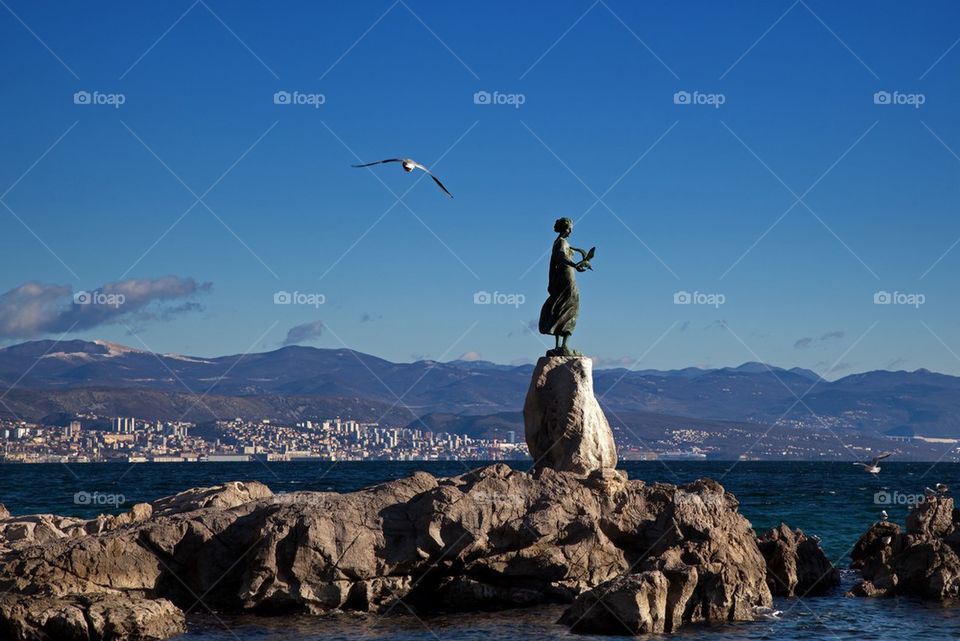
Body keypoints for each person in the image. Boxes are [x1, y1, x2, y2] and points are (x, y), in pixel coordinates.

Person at [538, 217, 593, 355]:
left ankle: (559, 346)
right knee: (572, 305)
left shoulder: (559, 242)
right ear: (564, 228)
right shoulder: (562, 242)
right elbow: (562, 256)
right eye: (569, 229)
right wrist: (575, 264)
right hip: (567, 276)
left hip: (563, 275)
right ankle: (564, 345)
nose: (570, 232)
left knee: (561, 305)